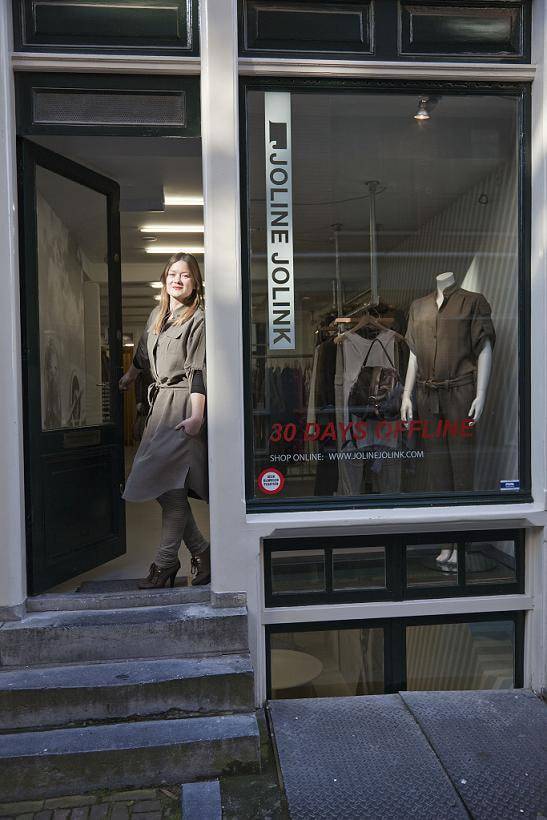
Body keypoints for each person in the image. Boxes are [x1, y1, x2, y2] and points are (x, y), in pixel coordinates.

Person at [119, 252, 210, 588]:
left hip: (183, 405)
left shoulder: (199, 319)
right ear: (164, 279)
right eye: (172, 273)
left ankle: (165, 564)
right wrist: (129, 376)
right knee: (163, 487)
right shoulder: (158, 314)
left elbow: (199, 372)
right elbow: (144, 352)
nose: (177, 280)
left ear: (195, 281)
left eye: (185, 275)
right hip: (159, 407)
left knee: (171, 490)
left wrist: (197, 416)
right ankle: (201, 551)